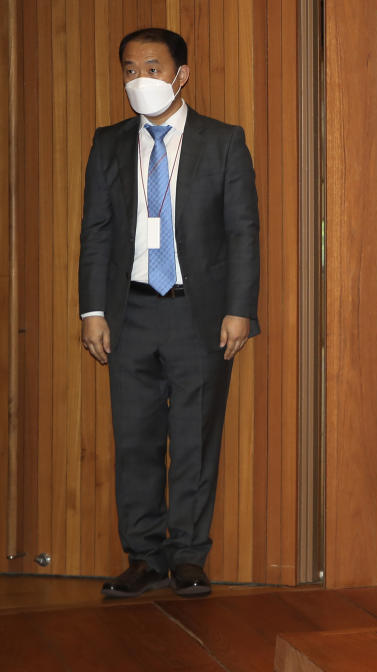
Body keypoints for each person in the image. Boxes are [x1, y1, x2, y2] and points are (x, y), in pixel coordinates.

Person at [78, 28, 260, 598]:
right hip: (128, 312)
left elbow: (243, 232)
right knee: (134, 439)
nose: (140, 80)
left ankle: (188, 555)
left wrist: (239, 310)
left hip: (197, 314)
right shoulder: (108, 143)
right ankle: (144, 555)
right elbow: (96, 234)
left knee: (195, 437)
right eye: (130, 70)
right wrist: (92, 310)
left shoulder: (224, 141)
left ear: (181, 74)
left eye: (152, 68)